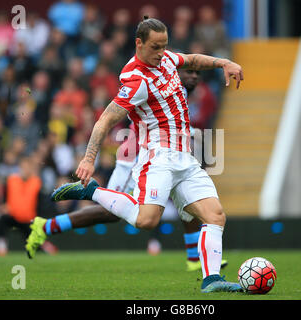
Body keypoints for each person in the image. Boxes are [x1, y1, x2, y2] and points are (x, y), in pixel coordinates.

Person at [27, 16, 243, 293]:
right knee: (146, 220)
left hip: (185, 157)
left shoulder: (164, 60)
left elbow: (190, 59)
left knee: (215, 215)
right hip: (158, 156)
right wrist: (89, 158)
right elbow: (105, 119)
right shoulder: (135, 79)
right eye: (155, 47)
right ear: (138, 43)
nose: (161, 52)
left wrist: (224, 63)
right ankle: (91, 191)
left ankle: (211, 280)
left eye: (164, 46)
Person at [25, 68, 227, 272]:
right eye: (189, 72)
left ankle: (194, 258)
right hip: (136, 156)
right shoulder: (161, 87)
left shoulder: (180, 93)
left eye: (197, 74)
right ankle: (45, 226)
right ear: (174, 72)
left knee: (188, 198)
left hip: (161, 156)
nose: (194, 76)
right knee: (110, 211)